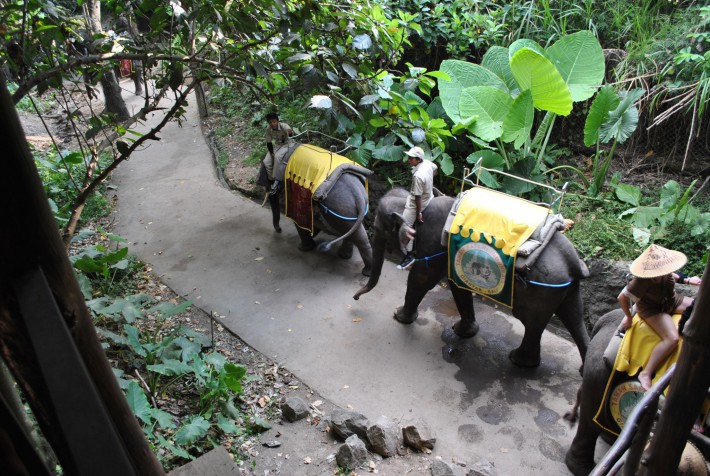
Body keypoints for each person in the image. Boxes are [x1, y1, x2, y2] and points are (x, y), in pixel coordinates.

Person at [617, 244, 702, 390]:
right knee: (672, 339)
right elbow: (622, 297)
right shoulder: (642, 280)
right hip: (652, 309)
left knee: (699, 308)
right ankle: (646, 373)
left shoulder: (666, 272)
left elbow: (672, 276)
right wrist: (629, 317)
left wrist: (687, 280)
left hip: (672, 301)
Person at [397, 146, 437, 270]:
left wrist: (418, 213)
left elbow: (417, 197)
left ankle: (409, 255)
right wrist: (429, 183)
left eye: (411, 158)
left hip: (418, 203)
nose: (408, 160)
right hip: (429, 196)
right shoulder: (428, 163)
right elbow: (436, 168)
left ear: (418, 160)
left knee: (405, 227)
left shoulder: (418, 176)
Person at [263, 112, 293, 232]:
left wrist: (291, 132)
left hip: (287, 145)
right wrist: (270, 153)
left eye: (274, 121)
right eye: (270, 122)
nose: (273, 124)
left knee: (278, 158)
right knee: (266, 161)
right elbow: (269, 143)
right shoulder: (268, 130)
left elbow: (292, 134)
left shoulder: (284, 126)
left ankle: (276, 179)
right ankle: (271, 179)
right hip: (277, 146)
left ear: (277, 121)